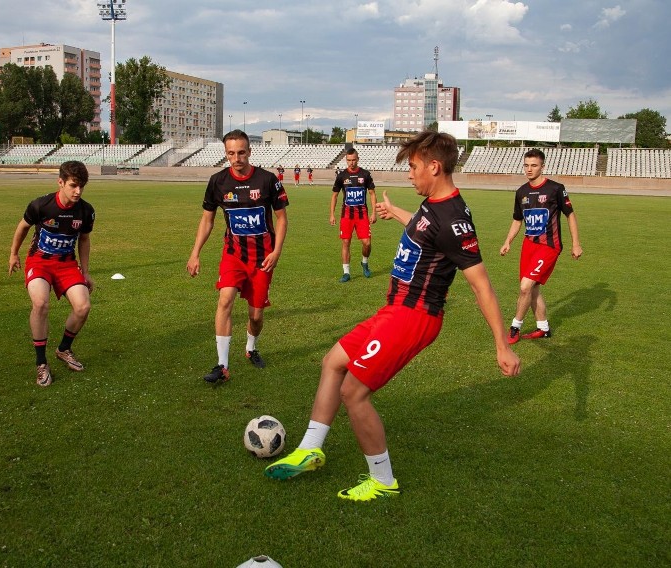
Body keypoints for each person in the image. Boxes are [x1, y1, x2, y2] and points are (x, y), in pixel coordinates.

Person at [265, 131, 520, 501]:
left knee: (354, 391)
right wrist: (396, 212)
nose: (410, 174)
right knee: (333, 361)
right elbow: (422, 228)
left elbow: (481, 286)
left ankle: (383, 481)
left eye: (414, 167)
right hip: (395, 308)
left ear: (435, 167)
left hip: (415, 315)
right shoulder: (433, 204)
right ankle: (310, 448)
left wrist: (502, 345)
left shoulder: (452, 219)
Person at [187, 130, 289, 384]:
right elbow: (207, 219)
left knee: (255, 316)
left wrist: (276, 252)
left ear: (249, 152)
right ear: (226, 154)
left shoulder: (268, 180)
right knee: (225, 300)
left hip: (262, 258)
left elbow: (282, 218)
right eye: (231, 153)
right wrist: (195, 253)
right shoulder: (217, 181)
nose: (237, 158)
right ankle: (222, 366)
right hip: (233, 255)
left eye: (241, 152)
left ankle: (251, 347)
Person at [9, 161, 96, 387]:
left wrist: (85, 272)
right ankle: (41, 363)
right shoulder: (41, 205)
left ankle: (63, 349)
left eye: (82, 186)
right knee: (40, 304)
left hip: (67, 265)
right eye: (73, 185)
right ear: (60, 182)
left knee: (83, 306)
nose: (78, 191)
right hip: (40, 262)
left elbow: (84, 239)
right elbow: (22, 228)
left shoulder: (86, 211)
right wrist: (13, 254)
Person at [500, 148, 582, 344]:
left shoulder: (555, 188)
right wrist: (507, 241)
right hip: (529, 246)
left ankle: (514, 328)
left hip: (549, 246)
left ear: (542, 166)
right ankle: (543, 328)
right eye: (526, 165)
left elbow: (570, 214)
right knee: (532, 289)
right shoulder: (521, 192)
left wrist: (576, 244)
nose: (529, 169)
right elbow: (517, 220)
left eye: (534, 165)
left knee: (525, 286)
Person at [330, 148, 377, 282]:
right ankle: (346, 273)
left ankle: (365, 262)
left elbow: (372, 194)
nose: (351, 163)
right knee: (345, 242)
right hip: (346, 216)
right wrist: (332, 214)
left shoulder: (365, 174)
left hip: (362, 216)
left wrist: (374, 213)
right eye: (349, 160)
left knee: (367, 243)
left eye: (353, 160)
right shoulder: (341, 176)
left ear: (358, 159)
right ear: (346, 160)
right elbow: (334, 196)